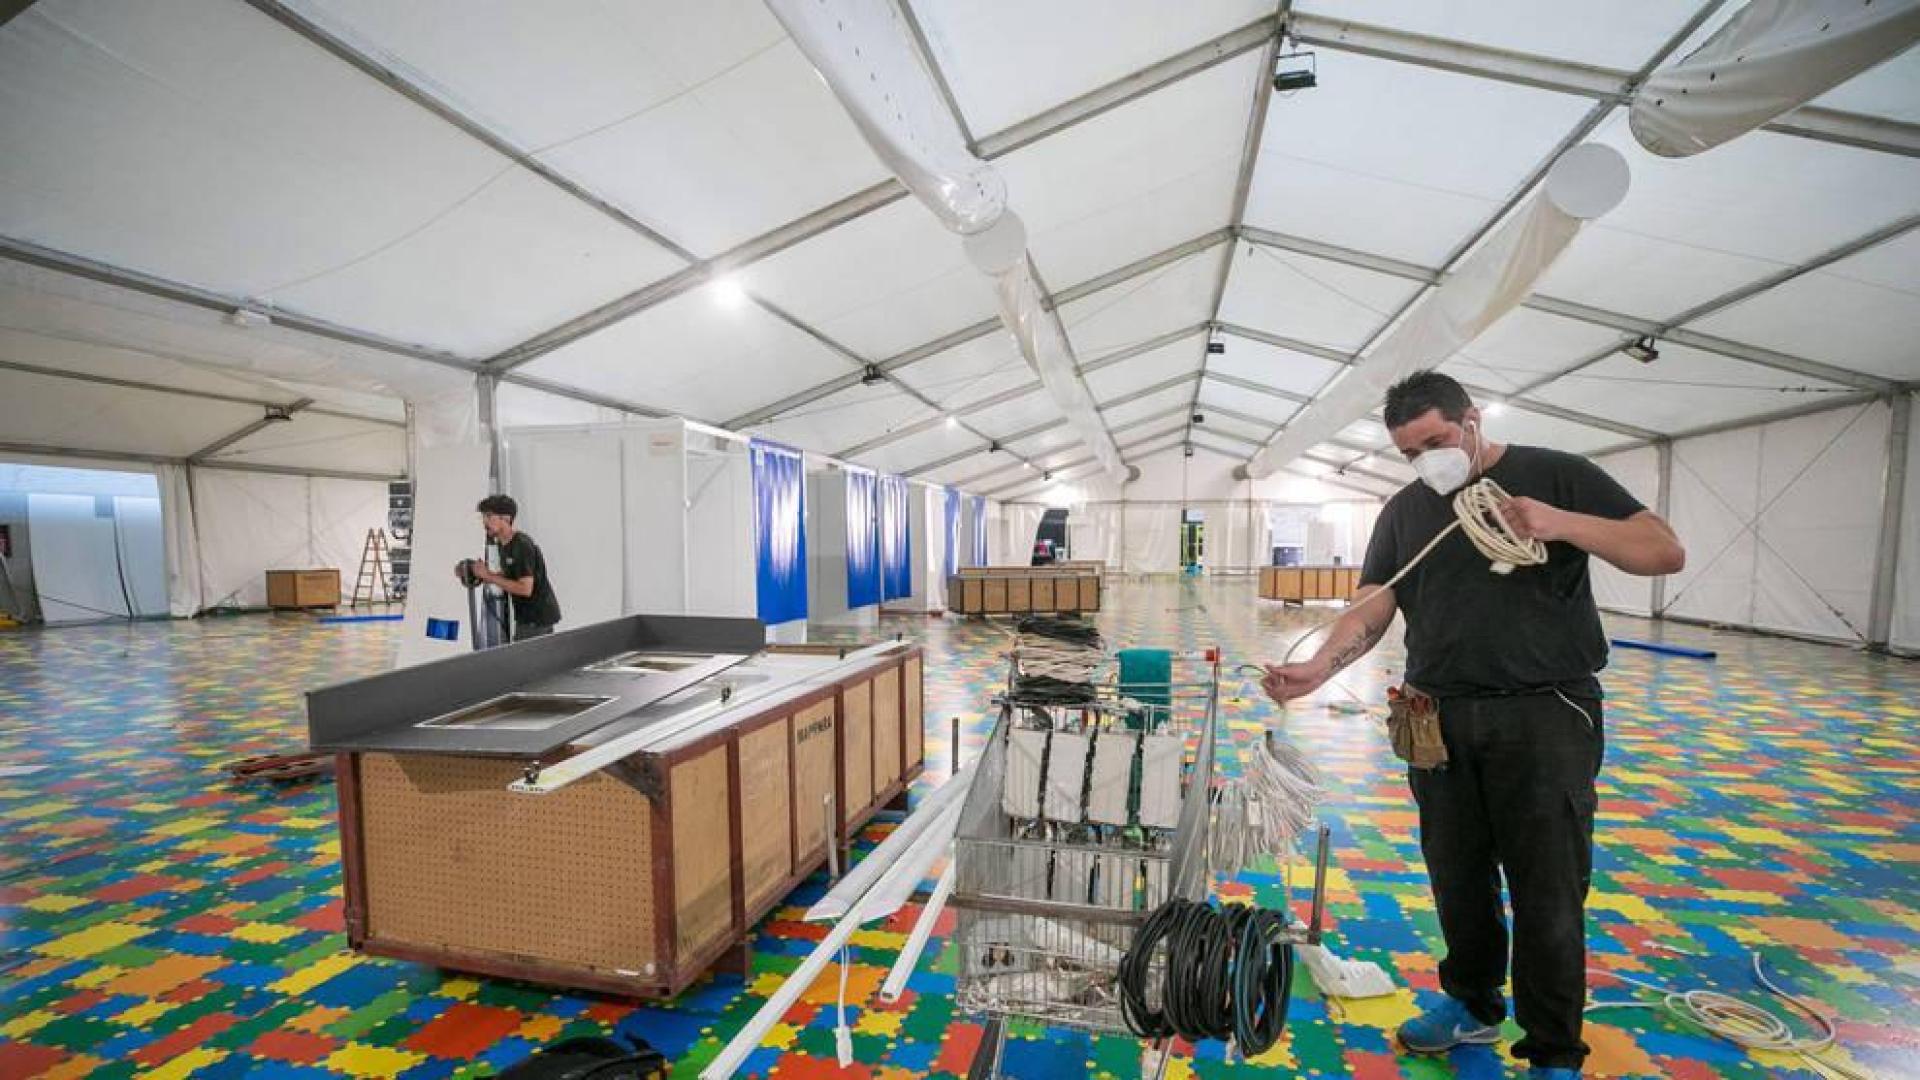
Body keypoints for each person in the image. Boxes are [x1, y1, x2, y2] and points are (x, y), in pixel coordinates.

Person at [1261, 371, 1683, 1079]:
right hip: (1438, 714)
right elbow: (1373, 603)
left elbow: (1662, 550)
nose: (1428, 459)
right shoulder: (1406, 509)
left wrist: (1558, 523)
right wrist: (1320, 669)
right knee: (1455, 874)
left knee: (1547, 886)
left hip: (1545, 710)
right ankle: (1472, 1004)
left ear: (1473, 419)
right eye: (1409, 451)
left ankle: (1553, 1049)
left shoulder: (1555, 475)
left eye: (1436, 440)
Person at [460, 494, 562, 642]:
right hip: (526, 619)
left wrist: (489, 576)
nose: (484, 522)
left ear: (506, 518)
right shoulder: (504, 544)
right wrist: (482, 574)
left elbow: (525, 588)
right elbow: (510, 575)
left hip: (537, 620)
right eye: (483, 517)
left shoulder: (521, 545)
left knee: (523, 662)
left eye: (489, 516)